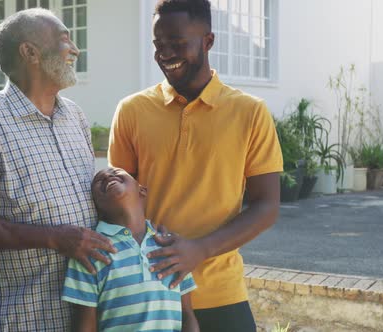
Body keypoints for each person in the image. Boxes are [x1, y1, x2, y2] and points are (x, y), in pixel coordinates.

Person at [108, 0, 283, 331]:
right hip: (147, 294)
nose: (165, 54)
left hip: (221, 291)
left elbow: (267, 205)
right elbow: (119, 205)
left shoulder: (250, 113)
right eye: (159, 44)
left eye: (177, 44)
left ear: (208, 41)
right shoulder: (132, 111)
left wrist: (199, 249)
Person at [0, 8, 116, 331]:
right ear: (30, 52)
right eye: (65, 39)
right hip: (27, 318)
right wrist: (55, 238)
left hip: (89, 317)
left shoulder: (75, 116)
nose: (75, 49)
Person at [62, 167, 200, 332]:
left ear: (142, 190)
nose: (107, 175)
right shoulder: (90, 251)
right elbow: (85, 322)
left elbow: (187, 315)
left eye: (116, 172)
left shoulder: (171, 246)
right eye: (99, 181)